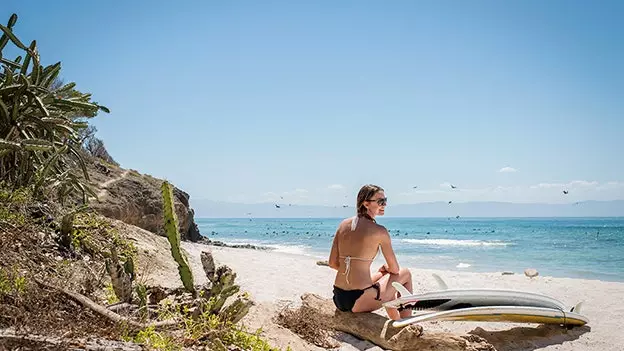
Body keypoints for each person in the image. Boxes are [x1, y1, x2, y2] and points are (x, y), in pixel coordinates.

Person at [328, 184, 413, 320]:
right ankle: (407, 323)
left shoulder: (343, 225)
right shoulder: (379, 231)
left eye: (385, 200)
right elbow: (395, 269)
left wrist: (378, 272)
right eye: (380, 201)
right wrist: (388, 269)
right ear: (366, 204)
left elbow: (332, 263)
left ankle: (396, 320)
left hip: (339, 297)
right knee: (405, 274)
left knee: (384, 276)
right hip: (359, 300)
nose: (384, 205)